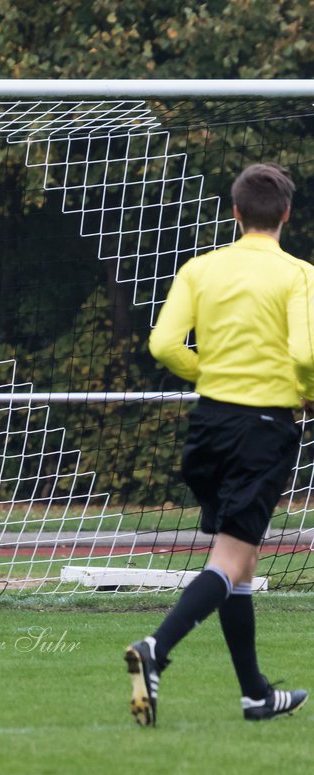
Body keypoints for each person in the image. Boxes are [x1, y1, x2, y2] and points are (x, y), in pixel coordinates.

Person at [128, 162, 313, 726]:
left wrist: (210, 369)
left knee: (243, 560)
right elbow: (305, 355)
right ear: (285, 214)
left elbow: (162, 344)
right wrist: (306, 393)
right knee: (231, 559)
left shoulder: (200, 268)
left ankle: (255, 694)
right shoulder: (299, 274)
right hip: (263, 427)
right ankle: (154, 649)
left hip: (208, 426)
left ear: (235, 213)